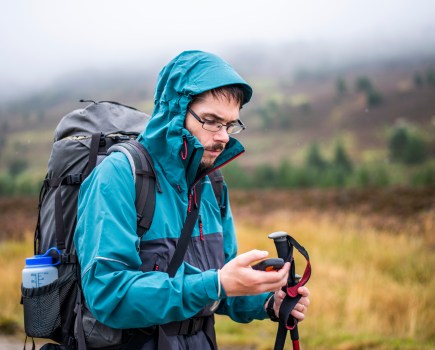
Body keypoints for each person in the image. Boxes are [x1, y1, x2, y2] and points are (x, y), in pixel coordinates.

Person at [74, 50, 310, 349]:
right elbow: (109, 295)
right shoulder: (119, 175)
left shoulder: (211, 184)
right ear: (176, 111)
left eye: (230, 125)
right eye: (212, 121)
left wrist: (268, 303)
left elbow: (223, 287)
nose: (224, 137)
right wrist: (215, 284)